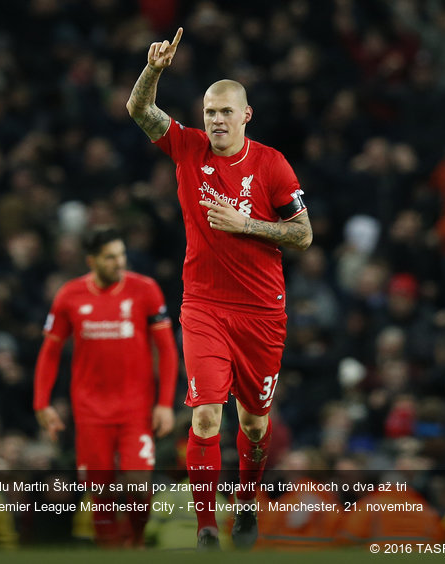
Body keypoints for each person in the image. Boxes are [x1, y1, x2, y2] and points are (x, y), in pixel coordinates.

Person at [126, 27, 313, 550]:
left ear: (245, 116)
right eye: (210, 111)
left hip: (261, 311)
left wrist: (246, 223)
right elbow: (140, 111)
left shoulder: (271, 163)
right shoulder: (187, 147)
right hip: (204, 305)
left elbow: (303, 234)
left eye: (226, 112)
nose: (216, 120)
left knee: (253, 427)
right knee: (206, 413)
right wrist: (154, 71)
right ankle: (207, 523)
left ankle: (247, 506)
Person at [33, 226, 179, 547]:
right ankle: (110, 552)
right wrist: (41, 403)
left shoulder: (146, 290)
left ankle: (136, 541)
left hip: (135, 408)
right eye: (111, 257)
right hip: (90, 410)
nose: (119, 262)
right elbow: (50, 351)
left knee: (140, 486)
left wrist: (165, 403)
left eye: (122, 255)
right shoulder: (69, 295)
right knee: (101, 494)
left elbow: (167, 350)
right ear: (92, 260)